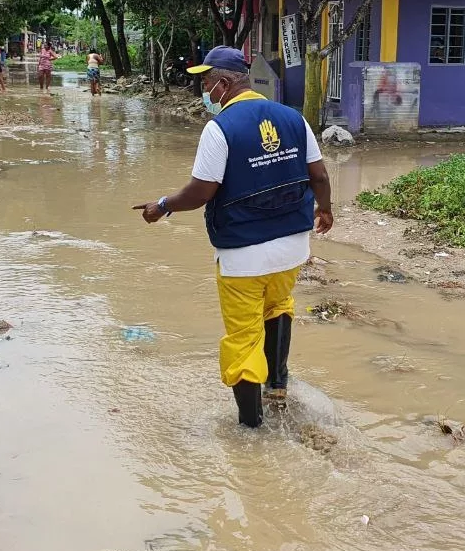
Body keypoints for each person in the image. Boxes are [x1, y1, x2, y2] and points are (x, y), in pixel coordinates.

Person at [134, 45, 334, 428]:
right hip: (293, 246)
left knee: (242, 336)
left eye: (207, 83)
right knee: (279, 306)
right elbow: (320, 176)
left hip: (243, 254)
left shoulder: (219, 128)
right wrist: (324, 209)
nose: (204, 92)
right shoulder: (292, 117)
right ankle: (277, 386)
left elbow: (200, 193)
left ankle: (252, 428)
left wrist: (162, 205)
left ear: (225, 83)